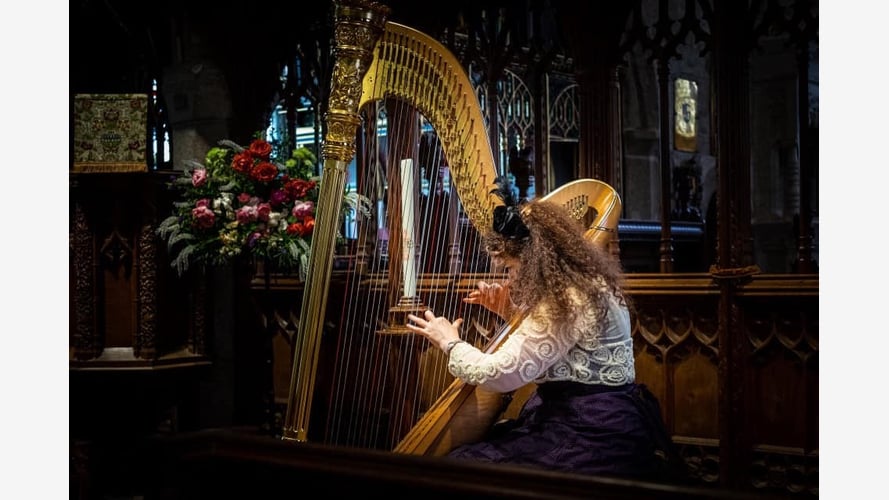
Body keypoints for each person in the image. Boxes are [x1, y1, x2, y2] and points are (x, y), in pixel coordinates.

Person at [405, 189, 684, 481]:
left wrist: (449, 341)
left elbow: (499, 373)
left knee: (462, 467)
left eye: (511, 267)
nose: (510, 277)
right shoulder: (584, 284)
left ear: (537, 259)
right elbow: (565, 342)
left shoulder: (567, 298)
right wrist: (510, 311)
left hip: (591, 431)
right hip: (595, 416)